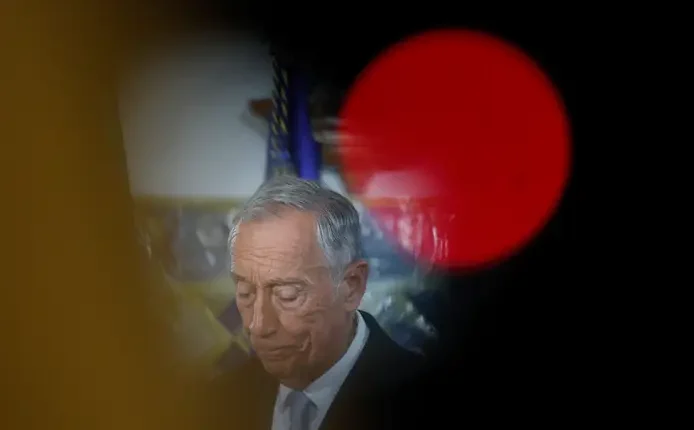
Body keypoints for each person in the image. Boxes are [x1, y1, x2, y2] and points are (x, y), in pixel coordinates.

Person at [209, 176, 426, 430]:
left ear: (351, 286)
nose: (258, 326)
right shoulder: (214, 402)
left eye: (288, 294)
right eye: (246, 292)